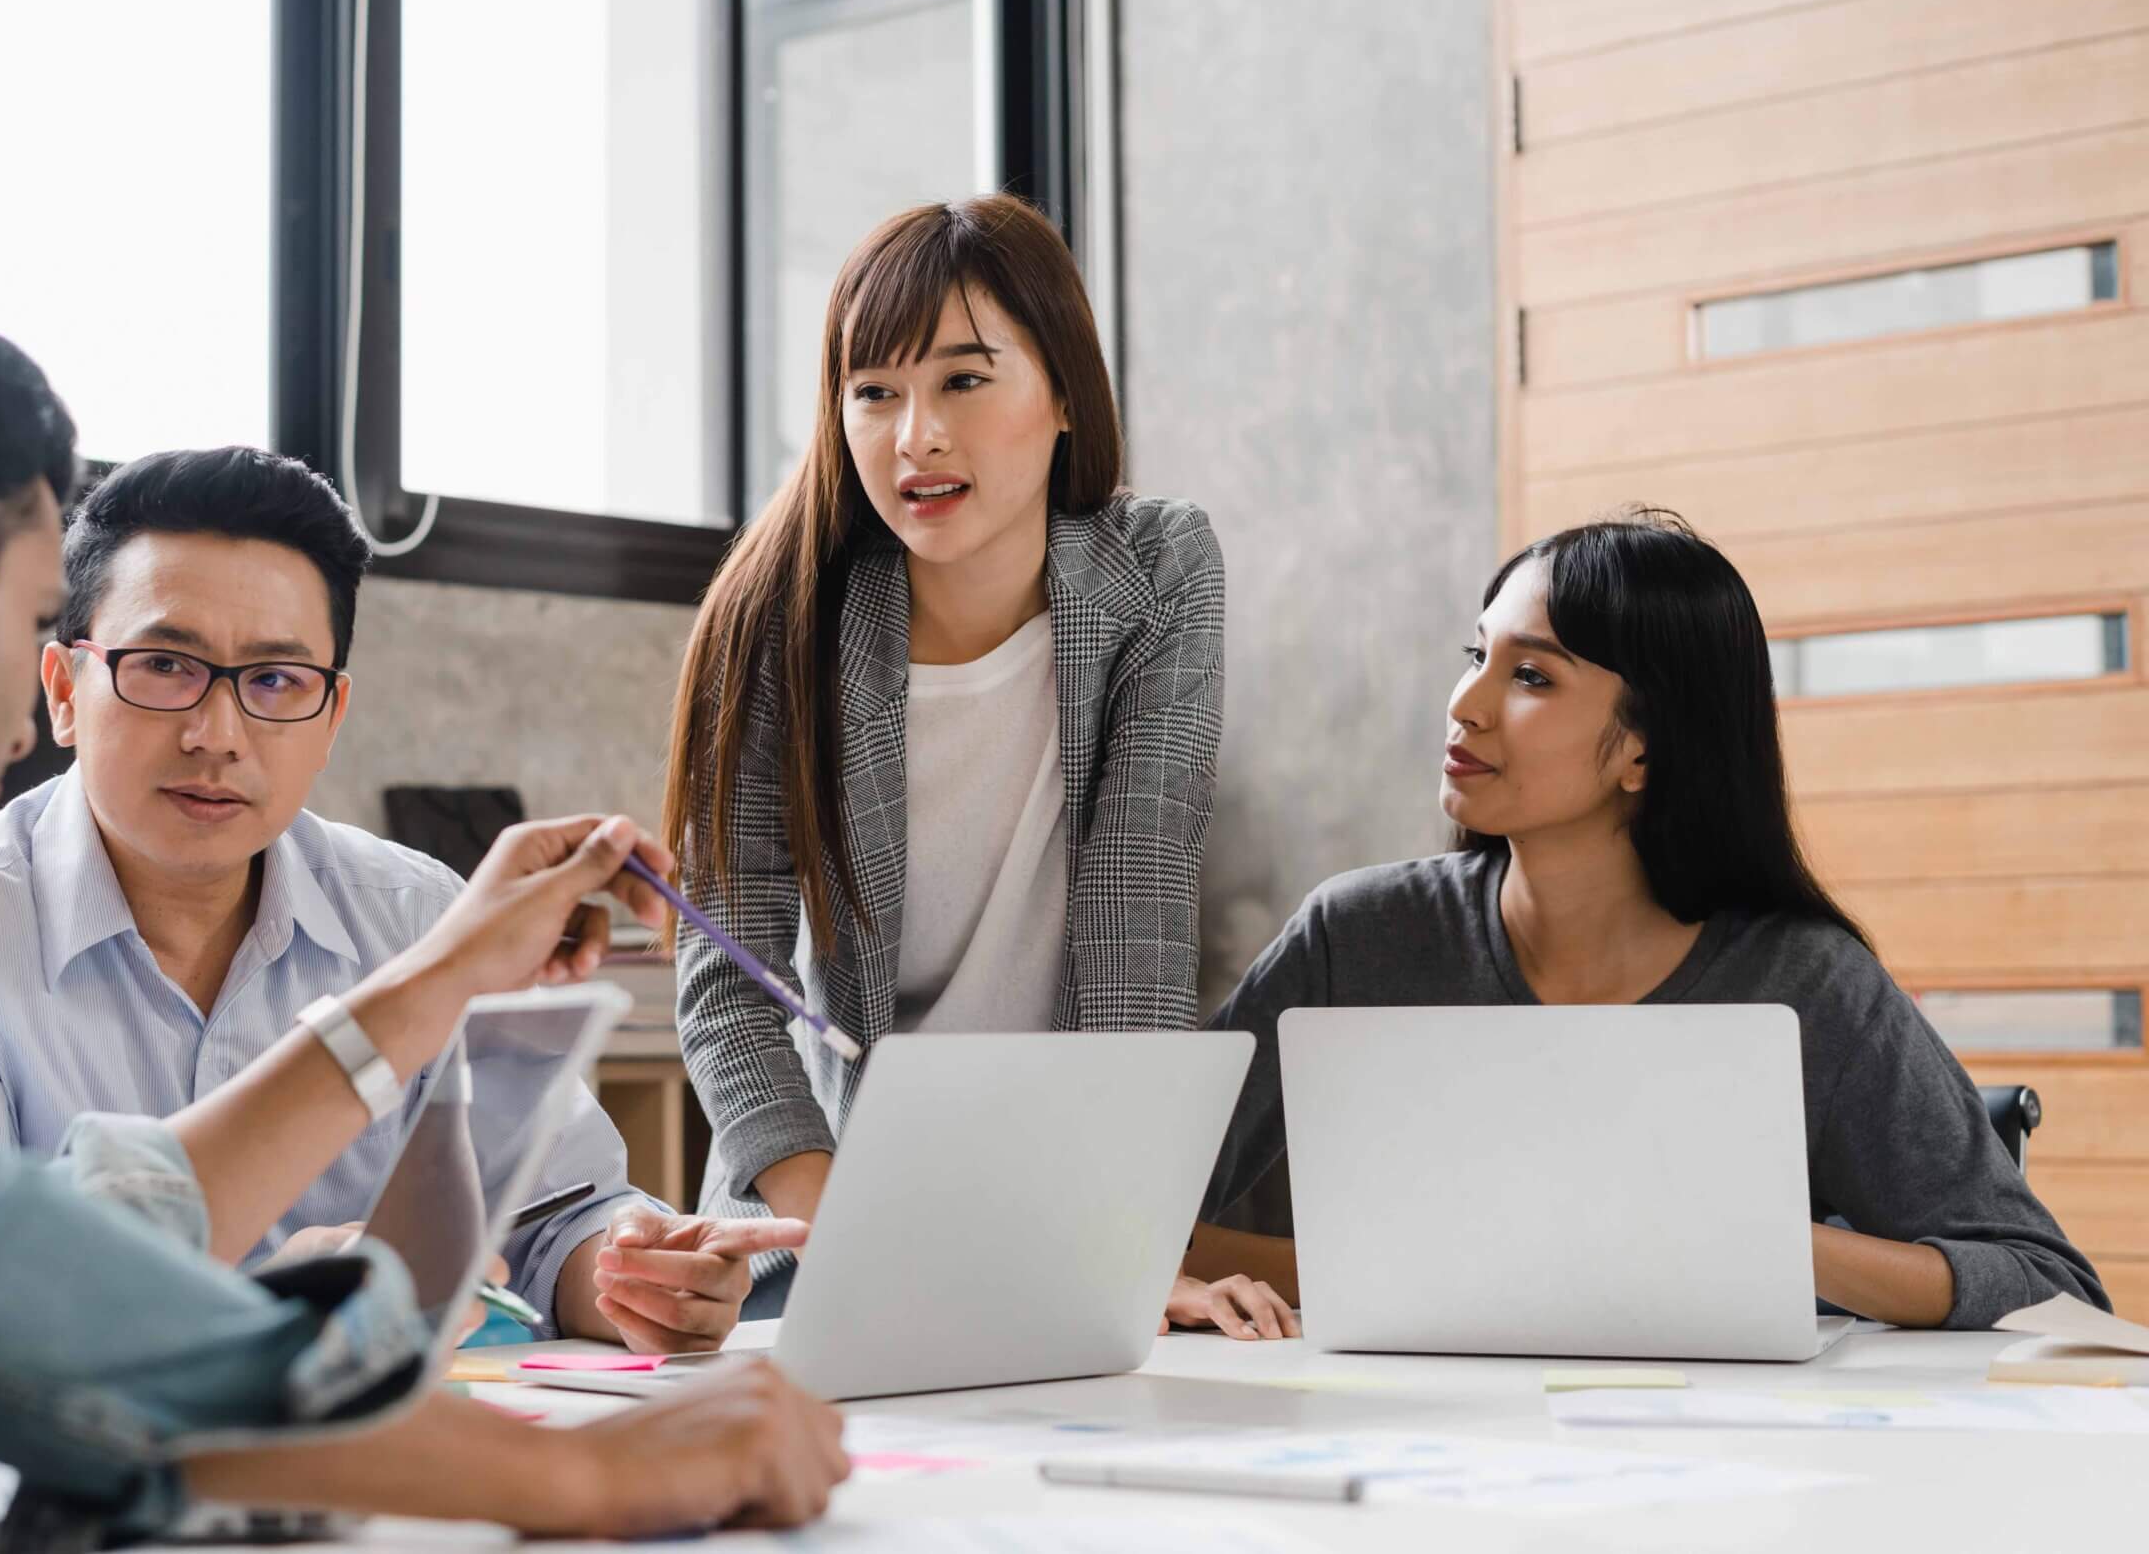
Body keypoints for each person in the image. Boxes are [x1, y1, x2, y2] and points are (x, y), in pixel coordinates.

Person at [0, 278, 846, 1551]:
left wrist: (434, 990)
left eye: (274, 681)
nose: (27, 729)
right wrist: (572, 1481)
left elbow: (47, 1236)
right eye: (38, 621)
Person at [0, 445, 801, 1350]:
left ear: (331, 717)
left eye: (277, 681)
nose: (217, 733)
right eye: (165, 665)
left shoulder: (418, 912)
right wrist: (269, 1299)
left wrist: (639, 1277)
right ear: (64, 689)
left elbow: (557, 1219)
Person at [1188, 510, 2106, 1329]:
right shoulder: (1357, 938)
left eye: (1532, 676)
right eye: (1476, 658)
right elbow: (1133, 1220)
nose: (1464, 706)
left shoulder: (1806, 985)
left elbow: (2048, 1285)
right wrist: (1344, 1277)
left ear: (1642, 748)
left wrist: (1756, 1244)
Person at [661, 193, 1272, 1335]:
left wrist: (1125, 1254)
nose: (915, 437)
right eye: (874, 393)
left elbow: (1142, 910)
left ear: (1061, 398)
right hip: (827, 1216)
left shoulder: (1158, 570)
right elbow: (726, 983)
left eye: (964, 381)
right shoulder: (776, 614)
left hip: (1058, 1218)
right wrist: (865, 1247)